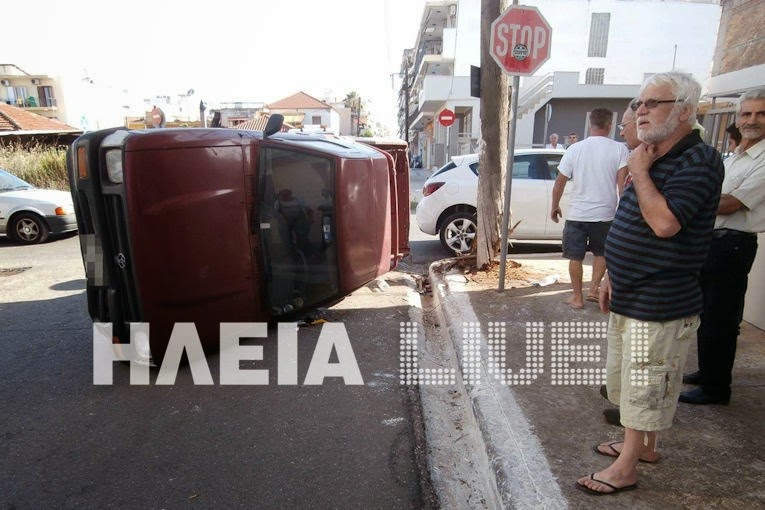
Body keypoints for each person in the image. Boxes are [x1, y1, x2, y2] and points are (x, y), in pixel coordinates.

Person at [577, 72, 723, 496]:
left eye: (652, 103)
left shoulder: (699, 160)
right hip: (630, 290)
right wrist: (612, 277)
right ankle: (643, 446)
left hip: (661, 299)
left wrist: (639, 172)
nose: (640, 111)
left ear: (683, 110)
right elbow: (630, 221)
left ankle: (626, 468)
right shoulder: (655, 153)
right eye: (638, 103)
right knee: (628, 378)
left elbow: (663, 223)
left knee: (646, 382)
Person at [679, 88, 765, 405]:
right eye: (746, 113)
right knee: (705, 315)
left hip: (733, 245)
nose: (751, 120)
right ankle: (707, 372)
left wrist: (687, 200)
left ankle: (716, 387)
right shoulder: (739, 156)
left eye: (760, 114)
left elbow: (729, 203)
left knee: (722, 318)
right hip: (713, 242)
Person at [551, 108, 629, 309]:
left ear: (590, 125)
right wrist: (624, 210)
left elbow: (560, 181)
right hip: (605, 214)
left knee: (574, 256)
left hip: (578, 213)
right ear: (610, 125)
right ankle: (594, 289)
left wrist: (555, 205)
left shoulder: (575, 149)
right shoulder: (620, 149)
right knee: (601, 253)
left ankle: (577, 297)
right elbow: (622, 184)